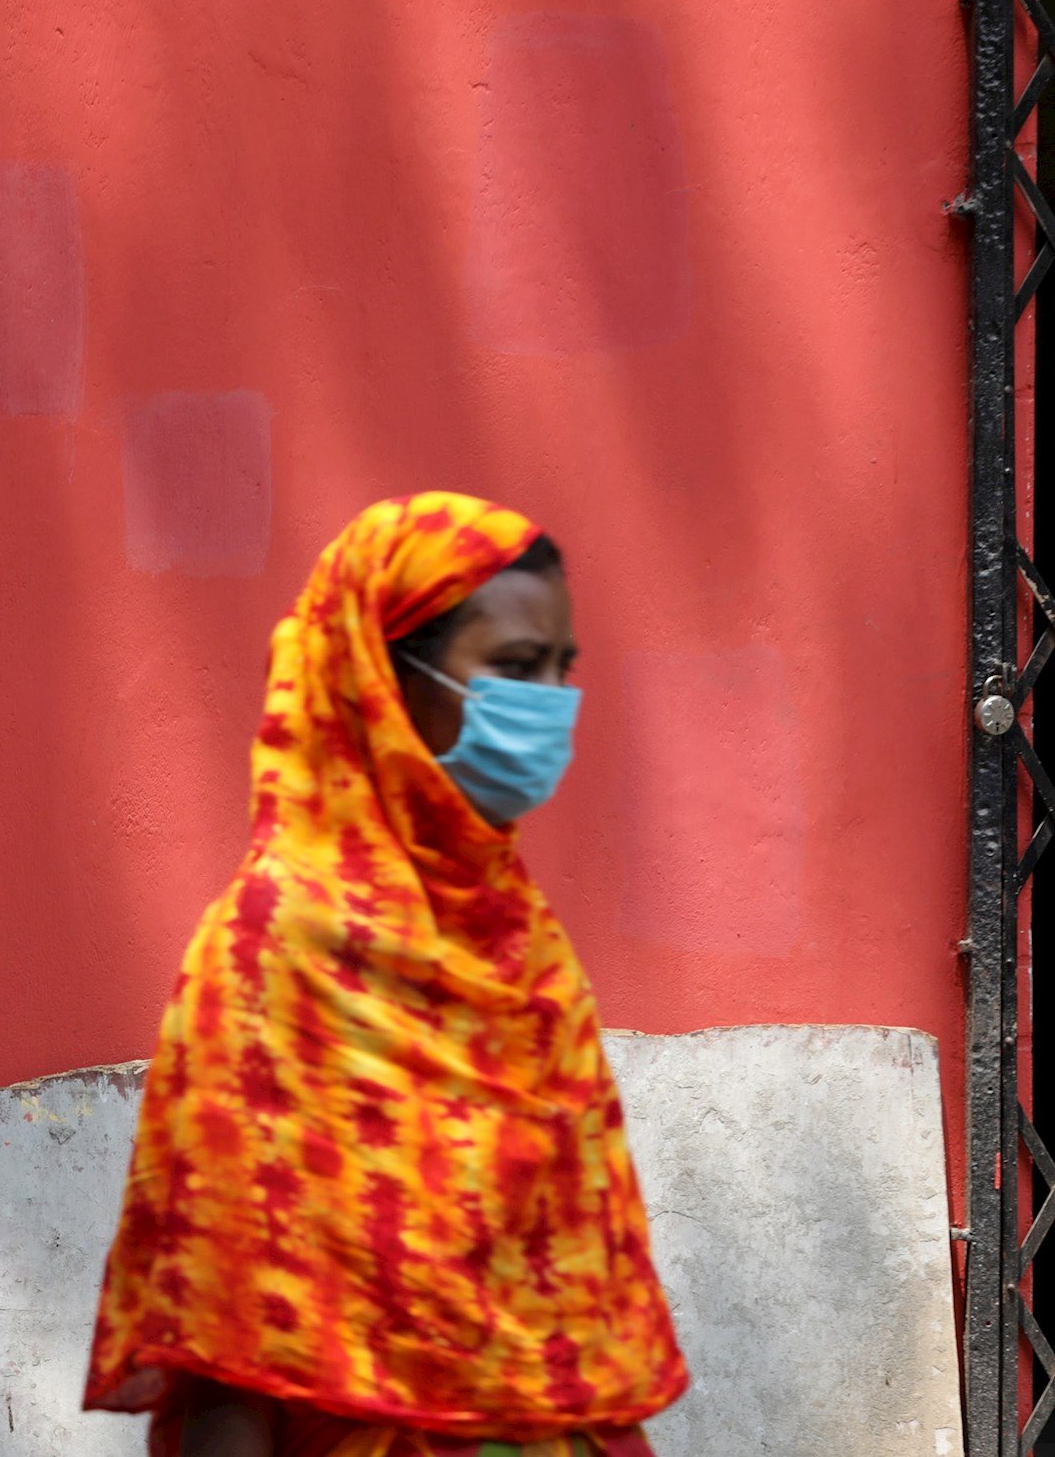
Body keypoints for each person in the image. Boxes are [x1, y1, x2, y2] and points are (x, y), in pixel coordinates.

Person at [84, 493, 687, 1457]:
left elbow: (578, 1308)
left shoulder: (517, 938)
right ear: (383, 680)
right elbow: (222, 1337)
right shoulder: (273, 950)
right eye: (513, 668)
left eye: (561, 668)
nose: (549, 703)